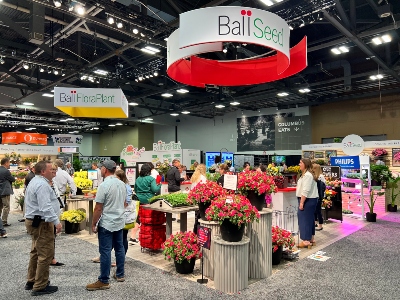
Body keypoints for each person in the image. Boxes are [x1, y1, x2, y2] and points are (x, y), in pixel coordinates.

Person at [87, 160, 127, 291]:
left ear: (105, 169)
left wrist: (93, 223)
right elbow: (125, 202)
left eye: (101, 168)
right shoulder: (122, 184)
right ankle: (120, 274)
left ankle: (104, 280)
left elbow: (98, 208)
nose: (100, 170)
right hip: (120, 221)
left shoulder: (104, 186)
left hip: (107, 222)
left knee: (105, 251)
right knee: (119, 248)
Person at [24, 161, 62, 296]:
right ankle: (40, 285)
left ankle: (32, 280)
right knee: (45, 254)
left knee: (35, 251)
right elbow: (45, 207)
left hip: (35, 221)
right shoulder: (42, 185)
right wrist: (57, 222)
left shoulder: (35, 181)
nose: (54, 171)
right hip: (42, 223)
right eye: (51, 169)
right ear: (43, 171)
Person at [129, 163, 161, 245]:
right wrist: (159, 184)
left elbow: (135, 189)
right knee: (148, 219)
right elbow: (155, 190)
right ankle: (148, 237)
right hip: (148, 201)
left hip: (138, 201)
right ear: (149, 171)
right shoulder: (151, 179)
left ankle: (132, 237)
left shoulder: (138, 179)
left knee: (138, 218)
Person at [296, 158, 319, 248]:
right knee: (309, 219)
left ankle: (306, 240)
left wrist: (301, 203)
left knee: (304, 219)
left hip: (307, 200)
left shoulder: (307, 176)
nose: (299, 164)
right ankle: (311, 239)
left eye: (301, 163)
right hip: (310, 200)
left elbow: (305, 190)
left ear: (305, 164)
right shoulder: (306, 175)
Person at [49, 163, 64, 267]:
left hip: (55, 212)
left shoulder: (53, 181)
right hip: (50, 215)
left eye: (55, 170)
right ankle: (50, 259)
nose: (54, 172)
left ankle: (52, 258)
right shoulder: (46, 183)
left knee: (52, 237)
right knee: (49, 238)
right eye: (52, 170)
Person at [115, 169, 133, 254]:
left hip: (124, 214)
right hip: (120, 213)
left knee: (123, 237)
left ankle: (122, 257)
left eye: (117, 177)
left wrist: (121, 208)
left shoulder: (126, 186)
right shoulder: (121, 185)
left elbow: (128, 200)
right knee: (120, 237)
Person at [0, 157, 15, 227]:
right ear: (6, 163)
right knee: (6, 206)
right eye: (9, 163)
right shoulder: (6, 171)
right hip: (5, 191)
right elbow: (12, 179)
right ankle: (4, 221)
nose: (9, 164)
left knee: (0, 207)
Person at [313, 164, 326, 231]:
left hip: (319, 196)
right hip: (316, 195)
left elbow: (322, 187)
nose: (313, 170)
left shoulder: (320, 177)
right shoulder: (315, 176)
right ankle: (315, 223)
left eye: (314, 168)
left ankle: (320, 225)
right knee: (315, 211)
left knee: (318, 211)